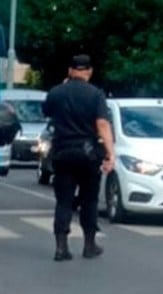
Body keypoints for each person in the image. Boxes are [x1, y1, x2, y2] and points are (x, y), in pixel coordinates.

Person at [42, 54, 115, 261]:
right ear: (89, 71)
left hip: (62, 153)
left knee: (63, 201)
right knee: (89, 200)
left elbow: (46, 112)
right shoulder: (96, 94)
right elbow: (102, 124)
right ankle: (89, 245)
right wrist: (110, 153)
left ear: (70, 71)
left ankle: (61, 247)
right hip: (88, 154)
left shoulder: (57, 92)